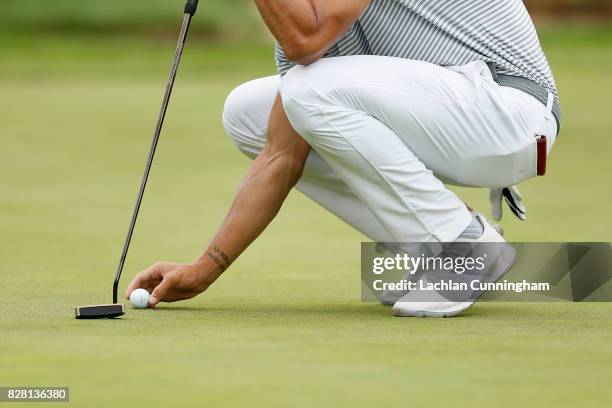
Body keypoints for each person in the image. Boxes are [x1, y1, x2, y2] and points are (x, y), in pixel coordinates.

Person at [126, 0, 561, 317]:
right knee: (250, 113)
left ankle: (463, 247)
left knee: (307, 89)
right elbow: (282, 154)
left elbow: (304, 41)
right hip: (459, 121)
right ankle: (433, 249)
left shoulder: (309, 29)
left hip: (512, 113)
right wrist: (204, 269)